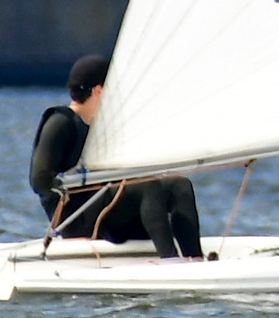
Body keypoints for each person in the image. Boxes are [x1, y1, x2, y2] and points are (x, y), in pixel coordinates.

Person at [31, 55, 206, 258]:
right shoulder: (60, 122)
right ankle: (170, 260)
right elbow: (39, 181)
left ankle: (195, 258)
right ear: (99, 91)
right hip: (75, 217)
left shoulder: (100, 127)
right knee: (147, 186)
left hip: (104, 207)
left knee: (178, 185)